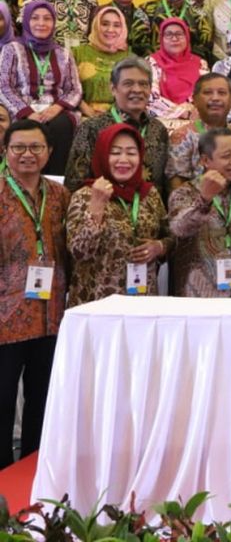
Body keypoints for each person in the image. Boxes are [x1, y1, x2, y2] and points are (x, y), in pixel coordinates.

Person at [0, 119, 70, 468]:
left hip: (50, 316)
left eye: (35, 148)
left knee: (42, 401)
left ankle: (32, 470)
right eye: (19, 148)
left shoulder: (59, 195)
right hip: (5, 320)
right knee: (2, 401)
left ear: (49, 153)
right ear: (6, 151)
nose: (27, 155)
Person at [65, 124, 170, 305]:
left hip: (143, 302)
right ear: (102, 155)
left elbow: (171, 235)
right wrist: (96, 207)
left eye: (131, 153)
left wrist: (160, 247)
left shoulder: (149, 194)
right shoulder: (84, 195)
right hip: (97, 302)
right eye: (114, 153)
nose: (123, 160)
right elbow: (78, 252)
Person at [167, 128, 231, 297]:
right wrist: (204, 200)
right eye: (226, 156)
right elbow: (178, 230)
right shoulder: (185, 193)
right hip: (197, 292)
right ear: (205, 160)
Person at [64, 56, 169, 196]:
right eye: (128, 83)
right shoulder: (92, 128)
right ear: (113, 89)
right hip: (103, 209)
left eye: (143, 84)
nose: (137, 90)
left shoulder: (158, 129)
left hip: (147, 211)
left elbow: (162, 184)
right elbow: (74, 184)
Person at [0, 1, 82, 175]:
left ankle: (55, 182)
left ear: (54, 23)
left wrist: (57, 108)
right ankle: (21, 182)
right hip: (21, 109)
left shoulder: (63, 53)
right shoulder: (12, 49)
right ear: (27, 21)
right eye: (35, 18)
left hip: (55, 110)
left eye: (47, 19)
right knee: (27, 128)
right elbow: (3, 86)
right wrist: (27, 112)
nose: (41, 23)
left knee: (62, 125)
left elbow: (75, 89)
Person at [165, 73, 231, 193]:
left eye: (222, 93)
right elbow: (176, 188)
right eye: (208, 92)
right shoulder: (183, 137)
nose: (215, 98)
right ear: (195, 100)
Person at [129, 0, 214, 61]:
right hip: (154, 69)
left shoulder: (200, 14)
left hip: (188, 70)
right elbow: (138, 46)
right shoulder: (145, 9)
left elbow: (204, 49)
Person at [146, 19, 210, 132]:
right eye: (168, 35)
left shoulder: (200, 64)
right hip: (162, 121)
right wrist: (184, 113)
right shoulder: (151, 62)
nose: (174, 39)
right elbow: (150, 98)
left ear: (187, 37)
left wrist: (196, 114)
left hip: (196, 120)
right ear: (161, 39)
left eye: (179, 34)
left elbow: (207, 94)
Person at [72, 5, 129, 117]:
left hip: (120, 117)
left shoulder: (130, 58)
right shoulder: (77, 54)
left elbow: (134, 93)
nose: (110, 30)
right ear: (96, 25)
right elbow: (68, 88)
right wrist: (88, 111)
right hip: (83, 116)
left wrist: (112, 114)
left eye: (117, 25)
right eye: (105, 24)